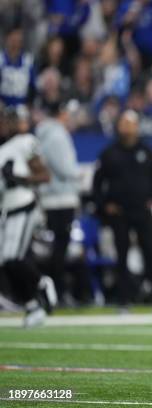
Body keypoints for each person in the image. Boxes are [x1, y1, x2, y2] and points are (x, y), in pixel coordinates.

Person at [92, 110, 152, 308]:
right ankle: (123, 301)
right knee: (121, 256)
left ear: (137, 127)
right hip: (120, 213)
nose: (126, 127)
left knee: (150, 254)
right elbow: (97, 183)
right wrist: (104, 205)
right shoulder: (109, 153)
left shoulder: (148, 151)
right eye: (123, 123)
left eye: (130, 123)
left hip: (142, 210)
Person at [0, 106, 55, 327]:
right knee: (4, 261)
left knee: (12, 257)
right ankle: (32, 306)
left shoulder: (24, 142)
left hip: (23, 204)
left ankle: (42, 283)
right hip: (6, 210)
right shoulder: (3, 149)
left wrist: (19, 178)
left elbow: (44, 175)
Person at [35, 99, 81, 303]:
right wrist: (81, 175)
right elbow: (65, 168)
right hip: (60, 198)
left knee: (56, 248)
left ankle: (52, 290)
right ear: (62, 113)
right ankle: (57, 292)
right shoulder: (57, 135)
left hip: (50, 197)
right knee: (60, 249)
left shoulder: (45, 134)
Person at [0, 27, 36, 107]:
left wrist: (29, 105)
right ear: (7, 39)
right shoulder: (1, 59)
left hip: (22, 107)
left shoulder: (28, 61)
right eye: (13, 40)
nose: (15, 44)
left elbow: (33, 87)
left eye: (18, 41)